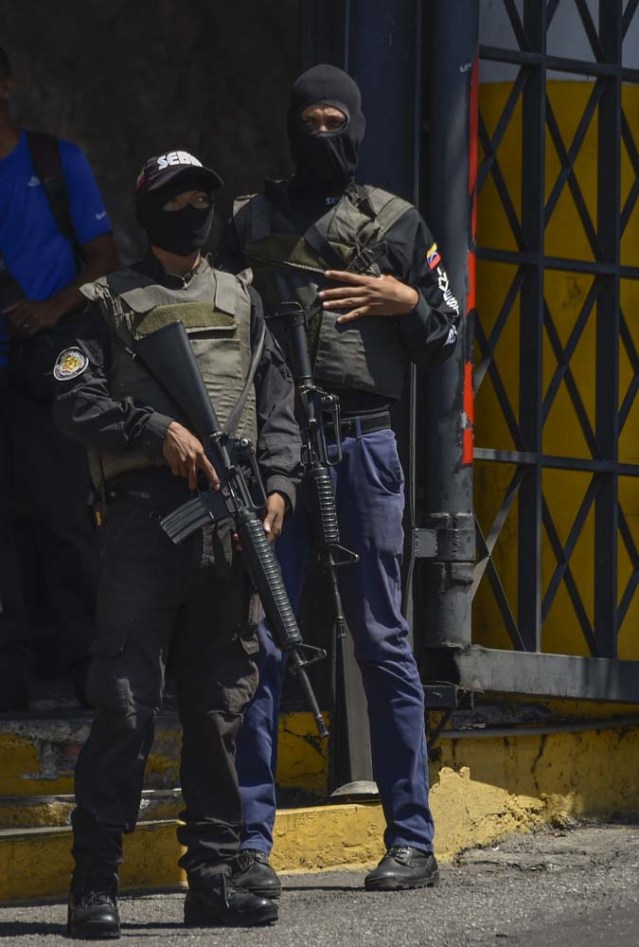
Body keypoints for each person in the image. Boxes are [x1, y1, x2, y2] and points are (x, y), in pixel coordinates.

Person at [220, 64, 460, 895]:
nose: (323, 134)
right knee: (261, 641)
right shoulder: (248, 222)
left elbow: (449, 328)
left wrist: (406, 300)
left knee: (383, 640)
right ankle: (250, 844)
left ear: (356, 126)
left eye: (337, 120)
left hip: (361, 446)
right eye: (309, 120)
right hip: (275, 458)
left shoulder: (394, 221)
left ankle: (412, 839)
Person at [53, 150, 301, 938]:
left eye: (202, 195)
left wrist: (280, 485)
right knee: (126, 702)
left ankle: (216, 876)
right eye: (176, 196)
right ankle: (95, 878)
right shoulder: (106, 302)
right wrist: (153, 429)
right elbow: (70, 394)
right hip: (143, 522)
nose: (192, 207)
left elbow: (278, 400)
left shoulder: (242, 298)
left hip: (228, 523)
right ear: (149, 208)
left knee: (222, 706)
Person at [0, 46, 118, 709]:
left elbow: (107, 257)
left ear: (8, 86)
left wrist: (49, 308)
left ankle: (86, 674)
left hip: (48, 371)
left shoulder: (54, 162)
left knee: (66, 524)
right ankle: (12, 683)